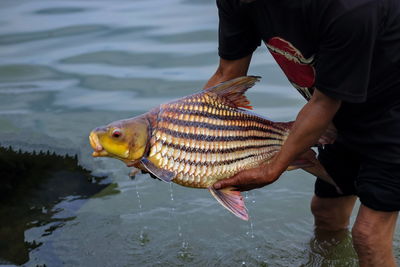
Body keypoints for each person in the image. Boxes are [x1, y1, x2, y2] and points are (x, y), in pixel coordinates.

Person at [206, 0, 400, 266]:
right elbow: (227, 75)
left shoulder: (349, 9)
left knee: (369, 236)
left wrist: (271, 168)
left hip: (391, 112)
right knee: (326, 212)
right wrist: (168, 135)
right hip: (342, 107)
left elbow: (323, 104)